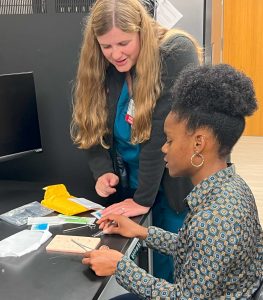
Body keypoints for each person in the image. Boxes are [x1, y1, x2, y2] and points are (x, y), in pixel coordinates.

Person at [82, 64, 263, 299]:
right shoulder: (231, 187)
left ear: (199, 144)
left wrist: (120, 266)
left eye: (169, 140)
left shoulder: (214, 218)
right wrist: (141, 232)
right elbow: (197, 248)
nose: (163, 148)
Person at [71, 0, 201, 281]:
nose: (115, 54)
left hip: (172, 181)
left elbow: (161, 133)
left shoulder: (175, 51)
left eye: (124, 43)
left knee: (173, 267)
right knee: (139, 264)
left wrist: (143, 199)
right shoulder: (102, 62)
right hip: (133, 182)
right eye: (107, 46)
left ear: (142, 31)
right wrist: (102, 170)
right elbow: (89, 124)